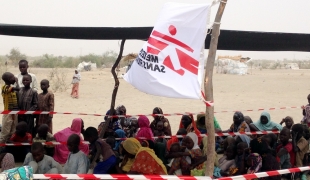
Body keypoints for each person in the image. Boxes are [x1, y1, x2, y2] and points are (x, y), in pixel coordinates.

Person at [0, 72, 19, 143]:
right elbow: (18, 88)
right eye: (12, 77)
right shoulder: (5, 87)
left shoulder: (12, 89)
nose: (14, 78)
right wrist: (17, 82)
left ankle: (8, 148)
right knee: (5, 131)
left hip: (14, 112)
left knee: (13, 131)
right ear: (8, 79)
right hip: (8, 112)